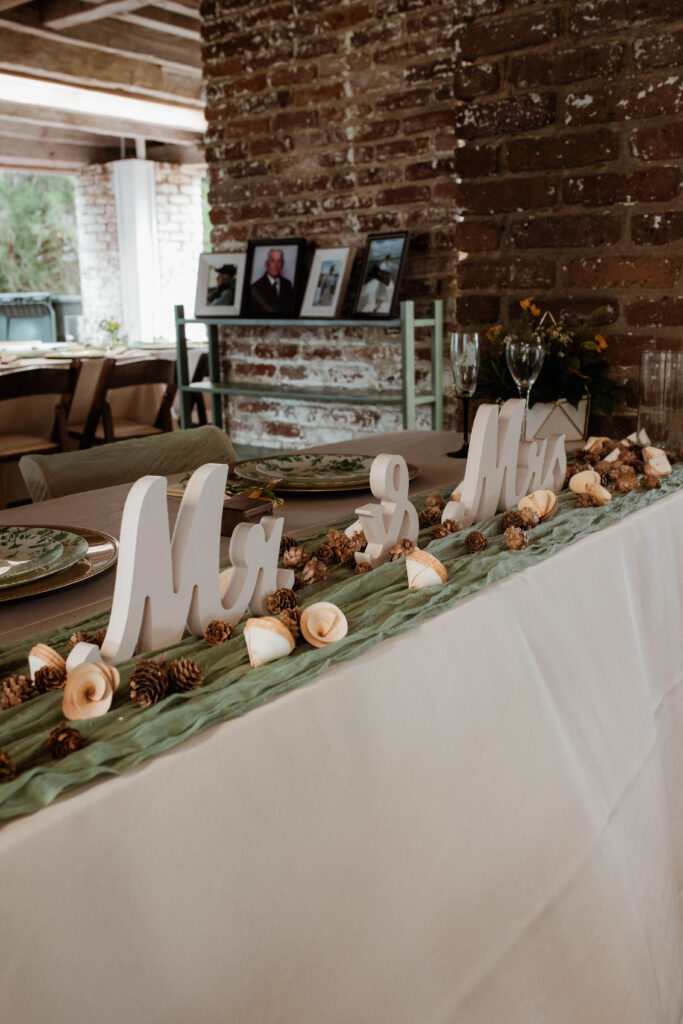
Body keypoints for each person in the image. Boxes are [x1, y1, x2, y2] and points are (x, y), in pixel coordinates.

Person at [247, 248, 295, 315]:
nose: (276, 265)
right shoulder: (255, 287)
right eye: (273, 261)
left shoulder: (287, 284)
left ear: (282, 264)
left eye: (279, 261)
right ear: (267, 264)